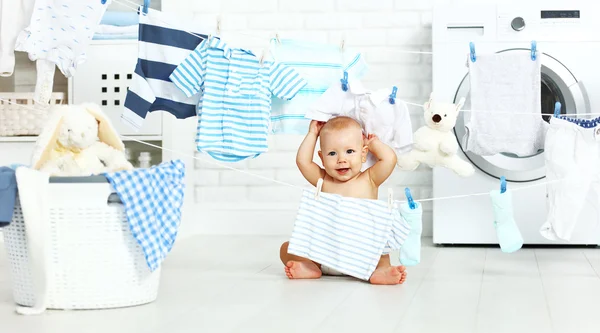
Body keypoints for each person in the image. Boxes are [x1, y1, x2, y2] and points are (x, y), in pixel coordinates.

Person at [279, 116, 407, 285]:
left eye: (349, 151)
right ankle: (310, 266)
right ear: (322, 158)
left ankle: (380, 270)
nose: (341, 159)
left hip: (363, 257)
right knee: (287, 248)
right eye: (332, 153)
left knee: (381, 248)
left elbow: (389, 159)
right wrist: (312, 134)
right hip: (325, 254)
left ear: (363, 154)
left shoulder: (369, 179)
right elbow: (303, 161)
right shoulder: (322, 179)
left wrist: (373, 143)